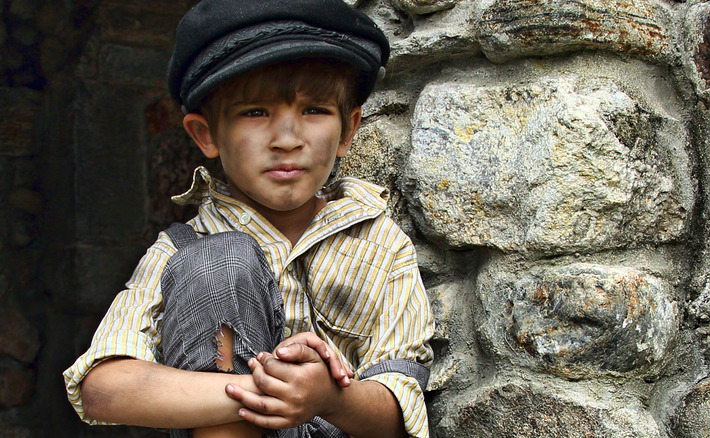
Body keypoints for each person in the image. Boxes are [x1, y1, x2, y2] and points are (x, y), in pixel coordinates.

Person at [62, 1, 435, 437]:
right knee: (219, 261)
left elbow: (399, 410)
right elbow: (102, 389)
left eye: (314, 110)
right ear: (206, 134)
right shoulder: (180, 250)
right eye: (255, 112)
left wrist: (328, 397)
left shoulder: (381, 244)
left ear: (348, 131)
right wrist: (263, 391)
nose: (287, 140)